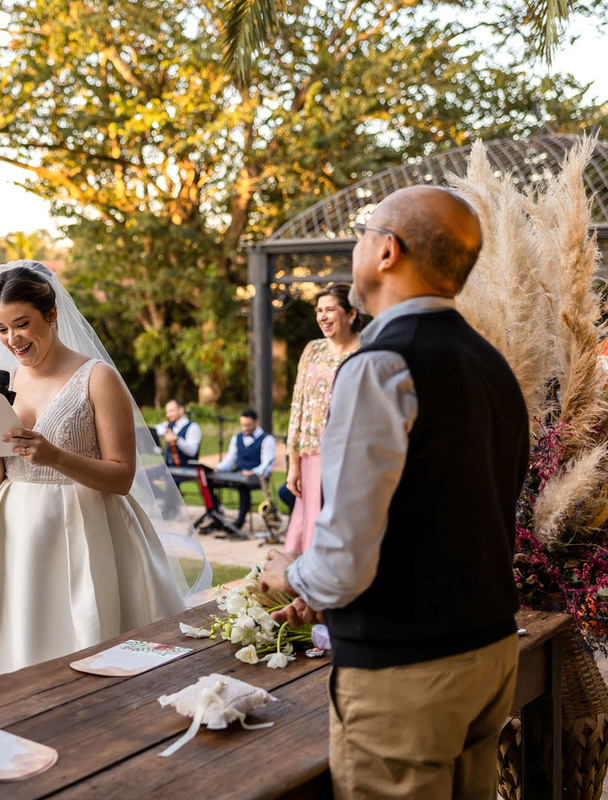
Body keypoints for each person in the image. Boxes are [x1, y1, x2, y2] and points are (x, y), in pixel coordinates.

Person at [261, 186, 528, 800]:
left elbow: (346, 554)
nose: (355, 247)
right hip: (487, 653)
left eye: (361, 234)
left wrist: (293, 577)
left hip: (409, 673)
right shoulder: (493, 366)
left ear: (387, 250)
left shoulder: (380, 366)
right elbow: (452, 515)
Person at [0, 262, 193, 687]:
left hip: (88, 528)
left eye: (22, 324)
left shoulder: (97, 378)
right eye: (1, 329)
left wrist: (53, 455)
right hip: (16, 533)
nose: (12, 339)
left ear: (51, 314)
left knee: (91, 645)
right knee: (16, 646)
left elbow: (122, 476)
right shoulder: (6, 382)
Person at [283, 283, 362, 552]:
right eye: (319, 310)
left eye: (330, 309)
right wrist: (293, 461)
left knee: (343, 525)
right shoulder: (312, 350)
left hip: (348, 455)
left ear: (351, 314)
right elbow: (298, 406)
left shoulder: (366, 352)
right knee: (310, 522)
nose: (322, 316)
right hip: (310, 455)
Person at [212, 409, 275, 535]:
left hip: (257, 478)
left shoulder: (267, 439)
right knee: (209, 482)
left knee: (243, 486)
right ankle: (216, 516)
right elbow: (229, 460)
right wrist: (218, 468)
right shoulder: (237, 438)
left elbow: (267, 464)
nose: (244, 428)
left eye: (248, 425)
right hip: (238, 474)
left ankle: (239, 523)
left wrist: (252, 472)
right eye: (242, 425)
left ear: (256, 422)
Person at [155, 399, 201, 470]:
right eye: (167, 412)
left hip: (186, 468)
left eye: (171, 411)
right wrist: (164, 434)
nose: (168, 415)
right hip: (169, 467)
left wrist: (177, 439)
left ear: (181, 410)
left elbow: (192, 451)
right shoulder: (168, 425)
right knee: (144, 474)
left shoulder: (193, 427)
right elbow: (156, 429)